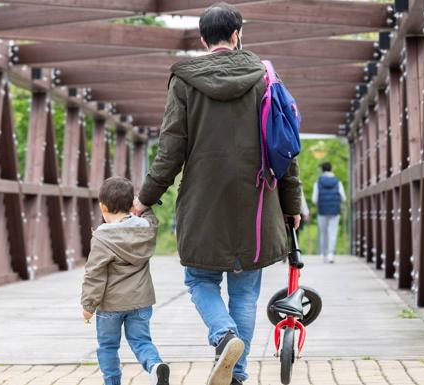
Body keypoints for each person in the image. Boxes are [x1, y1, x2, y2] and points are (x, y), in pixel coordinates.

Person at [132, 3, 302, 385]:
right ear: (237, 34)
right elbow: (285, 148)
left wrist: (143, 199)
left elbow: (171, 150)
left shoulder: (184, 80)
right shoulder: (264, 79)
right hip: (256, 204)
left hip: (202, 204)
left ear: (203, 39)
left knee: (200, 281)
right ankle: (237, 375)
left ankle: (223, 335)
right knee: (244, 293)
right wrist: (292, 205)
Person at [81, 176, 170, 385]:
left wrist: (88, 305)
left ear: (102, 206)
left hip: (111, 305)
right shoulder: (146, 229)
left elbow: (94, 274)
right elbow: (151, 219)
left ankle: (112, 382)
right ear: (131, 205)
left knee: (108, 346)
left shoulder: (102, 238)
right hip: (140, 302)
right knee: (141, 341)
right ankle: (155, 365)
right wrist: (144, 206)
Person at [312, 162, 346, 264]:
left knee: (323, 232)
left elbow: (314, 199)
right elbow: (343, 197)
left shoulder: (318, 182)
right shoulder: (337, 182)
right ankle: (331, 254)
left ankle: (324, 254)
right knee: (333, 232)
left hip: (322, 211)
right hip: (335, 211)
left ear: (322, 170)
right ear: (331, 169)